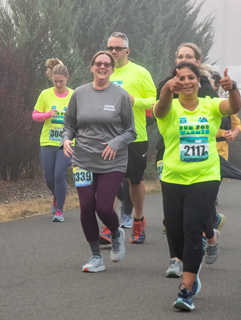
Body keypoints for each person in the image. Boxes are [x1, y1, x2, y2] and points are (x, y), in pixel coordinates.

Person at [155, 62, 241, 311]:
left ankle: (186, 290)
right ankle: (191, 270)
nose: (186, 81)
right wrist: (165, 92)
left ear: (198, 80)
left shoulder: (210, 106)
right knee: (175, 233)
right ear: (174, 82)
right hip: (172, 178)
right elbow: (160, 109)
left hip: (205, 177)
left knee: (193, 230)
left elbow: (234, 106)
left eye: (191, 77)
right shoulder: (168, 108)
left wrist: (232, 88)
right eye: (180, 78)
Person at [62, 50, 136, 273]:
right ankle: (95, 256)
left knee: (104, 207)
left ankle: (116, 233)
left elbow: (131, 132)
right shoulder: (79, 94)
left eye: (107, 64)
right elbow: (69, 125)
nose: (102, 67)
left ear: (112, 69)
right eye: (98, 63)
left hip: (112, 161)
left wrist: (115, 143)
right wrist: (66, 140)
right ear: (92, 67)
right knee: (86, 206)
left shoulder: (121, 96)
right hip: (83, 158)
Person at [157, 42, 225, 275]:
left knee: (197, 219)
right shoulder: (167, 84)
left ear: (198, 61)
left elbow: (226, 113)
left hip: (204, 169)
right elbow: (160, 111)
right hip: (172, 153)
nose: (182, 59)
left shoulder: (206, 88)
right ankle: (176, 257)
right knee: (175, 220)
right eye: (179, 56)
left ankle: (210, 238)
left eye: (188, 56)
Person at [106, 32, 157, 245]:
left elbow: (155, 100)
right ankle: (109, 225)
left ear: (127, 51)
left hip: (135, 136)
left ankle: (138, 220)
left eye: (118, 48)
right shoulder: (102, 71)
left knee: (134, 181)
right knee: (107, 181)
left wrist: (135, 100)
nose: (114, 52)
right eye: (110, 48)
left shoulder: (140, 72)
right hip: (107, 136)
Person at [33, 58, 73, 222]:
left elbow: (80, 118)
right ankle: (57, 197)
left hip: (67, 143)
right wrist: (48, 114)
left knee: (59, 174)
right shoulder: (45, 94)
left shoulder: (73, 95)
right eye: (55, 81)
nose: (58, 84)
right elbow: (35, 116)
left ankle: (60, 210)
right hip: (48, 142)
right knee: (48, 178)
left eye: (61, 81)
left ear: (67, 78)